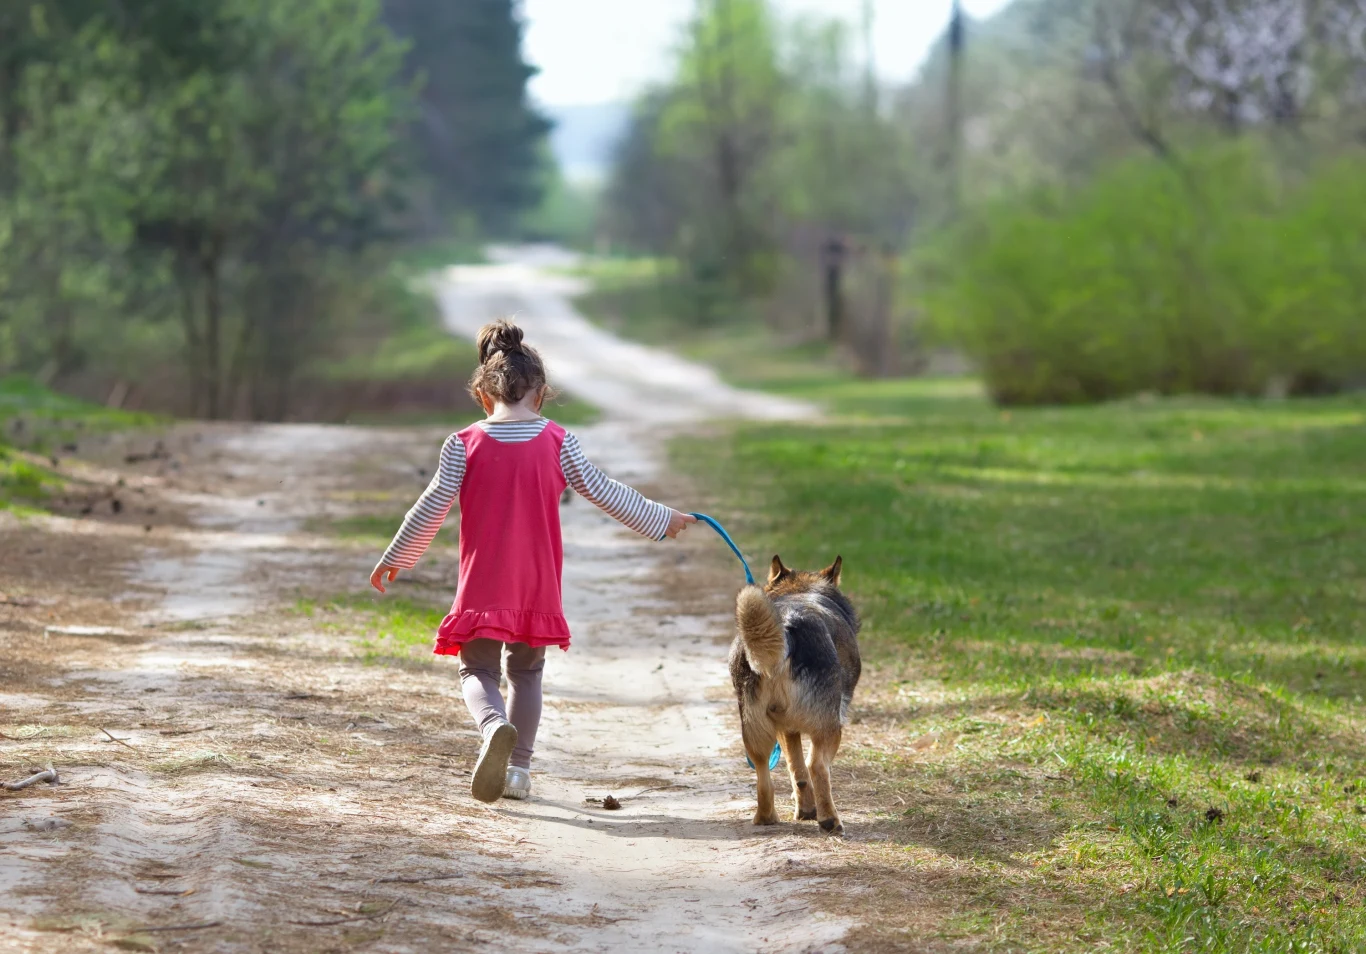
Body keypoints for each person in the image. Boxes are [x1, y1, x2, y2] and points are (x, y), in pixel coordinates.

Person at [369, 319, 696, 803]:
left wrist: (395, 556)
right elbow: (604, 491)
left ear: (483, 396)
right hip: (537, 585)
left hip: (483, 583)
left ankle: (492, 725)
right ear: (540, 393)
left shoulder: (463, 443)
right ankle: (519, 770)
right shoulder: (559, 442)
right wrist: (659, 517)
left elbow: (432, 505)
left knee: (476, 671)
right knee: (526, 675)